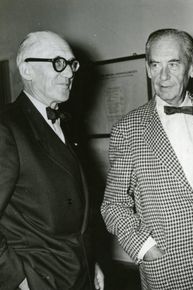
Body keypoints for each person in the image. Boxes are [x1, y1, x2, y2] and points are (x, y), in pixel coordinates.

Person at [101, 28, 193, 289]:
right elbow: (113, 204)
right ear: (148, 69)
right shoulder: (128, 129)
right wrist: (144, 247)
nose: (163, 76)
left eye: (173, 64)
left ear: (192, 67)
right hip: (168, 266)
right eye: (155, 65)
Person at [0, 31, 104, 290]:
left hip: (78, 273)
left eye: (72, 64)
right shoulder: (7, 128)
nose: (69, 73)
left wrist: (91, 263)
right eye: (58, 63)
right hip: (38, 279)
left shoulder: (63, 122)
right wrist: (18, 279)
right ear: (27, 70)